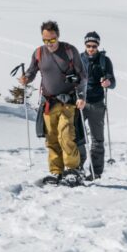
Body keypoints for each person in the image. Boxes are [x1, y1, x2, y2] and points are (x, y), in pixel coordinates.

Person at [20, 21, 85, 185]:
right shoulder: (39, 53)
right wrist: (26, 78)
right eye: (45, 40)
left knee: (66, 134)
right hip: (48, 102)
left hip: (68, 101)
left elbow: (83, 76)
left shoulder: (70, 51)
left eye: (52, 40)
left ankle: (73, 170)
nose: (49, 44)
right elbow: (32, 71)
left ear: (58, 36)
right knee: (51, 138)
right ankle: (56, 172)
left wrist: (82, 96)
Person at [80, 31, 117, 180]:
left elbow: (112, 81)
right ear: (85, 45)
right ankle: (77, 168)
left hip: (97, 103)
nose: (91, 48)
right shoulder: (78, 59)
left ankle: (96, 172)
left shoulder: (104, 61)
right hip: (80, 103)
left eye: (94, 46)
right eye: (88, 45)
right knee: (77, 137)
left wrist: (108, 82)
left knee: (97, 139)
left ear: (98, 46)